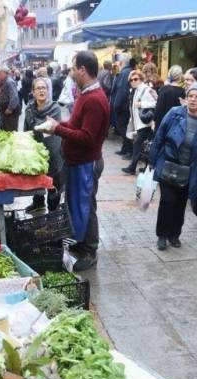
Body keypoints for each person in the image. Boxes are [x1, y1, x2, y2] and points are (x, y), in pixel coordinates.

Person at [38, 50, 110, 271]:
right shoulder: (86, 94)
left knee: (86, 207)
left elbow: (87, 137)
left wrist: (59, 129)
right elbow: (78, 126)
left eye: (72, 68)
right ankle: (81, 244)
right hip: (78, 162)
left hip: (86, 163)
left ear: (83, 70)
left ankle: (90, 250)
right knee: (79, 205)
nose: (70, 73)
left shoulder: (95, 100)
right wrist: (58, 124)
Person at [149, 83, 197, 250]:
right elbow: (159, 137)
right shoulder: (174, 113)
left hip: (190, 170)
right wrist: (152, 161)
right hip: (169, 164)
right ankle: (162, 235)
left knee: (180, 203)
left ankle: (174, 234)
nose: (192, 100)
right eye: (190, 96)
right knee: (167, 201)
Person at [24, 78, 63, 212]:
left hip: (52, 151)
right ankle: (38, 203)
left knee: (53, 181)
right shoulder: (29, 108)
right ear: (33, 92)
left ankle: (53, 210)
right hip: (36, 151)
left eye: (44, 88)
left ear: (48, 90)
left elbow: (49, 128)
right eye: (38, 88)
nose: (41, 90)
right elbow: (27, 129)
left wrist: (36, 127)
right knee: (37, 177)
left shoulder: (55, 107)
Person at [122, 70, 156, 175]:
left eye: (136, 79)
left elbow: (155, 102)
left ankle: (132, 167)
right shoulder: (134, 90)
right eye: (131, 80)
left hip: (145, 122)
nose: (133, 81)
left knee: (138, 144)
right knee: (144, 145)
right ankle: (147, 167)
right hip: (138, 122)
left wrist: (142, 104)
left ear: (141, 79)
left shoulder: (146, 89)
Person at [111, 55, 134, 156]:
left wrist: (116, 105)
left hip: (123, 106)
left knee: (123, 128)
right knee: (124, 128)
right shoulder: (128, 71)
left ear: (121, 63)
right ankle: (125, 149)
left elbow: (122, 90)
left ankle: (129, 150)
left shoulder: (125, 73)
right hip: (126, 105)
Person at [0, 66, 21, 131]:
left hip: (10, 111)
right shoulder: (5, 81)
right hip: (6, 109)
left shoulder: (9, 81)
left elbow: (14, 96)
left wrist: (10, 108)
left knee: (11, 130)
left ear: (5, 73)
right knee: (7, 129)